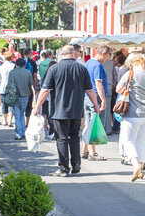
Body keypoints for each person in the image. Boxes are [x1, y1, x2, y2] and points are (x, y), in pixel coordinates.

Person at [33, 45, 100, 176]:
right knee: (74, 136)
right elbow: (90, 90)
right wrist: (96, 106)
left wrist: (37, 107)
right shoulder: (81, 68)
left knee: (62, 138)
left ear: (61, 54)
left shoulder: (54, 68)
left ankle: (63, 168)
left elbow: (45, 90)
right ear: (73, 53)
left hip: (59, 110)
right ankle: (76, 164)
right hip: (76, 110)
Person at [116, 52, 145, 182]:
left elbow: (118, 89)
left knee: (128, 141)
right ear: (144, 64)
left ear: (133, 64)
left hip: (132, 113)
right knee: (141, 142)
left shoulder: (130, 74)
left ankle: (135, 166)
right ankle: (140, 167)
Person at [81, 45, 111, 161]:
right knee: (93, 125)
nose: (108, 58)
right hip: (95, 97)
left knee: (88, 124)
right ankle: (92, 152)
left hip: (87, 96)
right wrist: (103, 99)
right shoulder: (98, 65)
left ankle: (85, 150)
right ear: (103, 53)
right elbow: (98, 83)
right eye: (108, 55)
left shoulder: (88, 62)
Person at [9, 57, 35, 139]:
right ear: (24, 64)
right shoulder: (28, 73)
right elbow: (31, 85)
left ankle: (19, 133)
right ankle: (23, 131)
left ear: (16, 64)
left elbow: (10, 85)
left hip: (15, 95)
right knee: (22, 114)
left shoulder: (12, 73)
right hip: (25, 95)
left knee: (17, 114)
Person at [0, 50, 17, 127]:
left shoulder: (1, 67)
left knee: (4, 104)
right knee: (12, 104)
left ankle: (5, 120)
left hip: (3, 87)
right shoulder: (14, 66)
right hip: (12, 88)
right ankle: (10, 120)